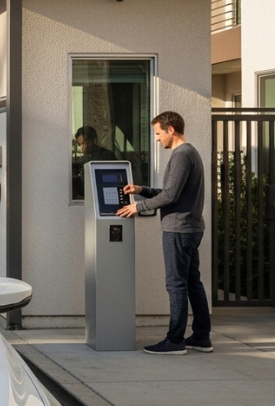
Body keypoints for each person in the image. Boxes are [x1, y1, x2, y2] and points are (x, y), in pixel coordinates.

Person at [116, 111, 212, 355]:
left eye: (158, 133)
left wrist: (138, 206)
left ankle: (174, 341)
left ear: (171, 130)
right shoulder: (190, 154)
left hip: (178, 229)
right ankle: (201, 337)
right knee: (192, 283)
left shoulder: (182, 155)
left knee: (176, 284)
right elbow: (170, 191)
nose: (157, 139)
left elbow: (170, 196)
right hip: (190, 227)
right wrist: (142, 189)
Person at [73, 126, 116, 198]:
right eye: (79, 144)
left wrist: (77, 180)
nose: (82, 147)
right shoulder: (85, 158)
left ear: (94, 140)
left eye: (84, 143)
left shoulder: (106, 157)